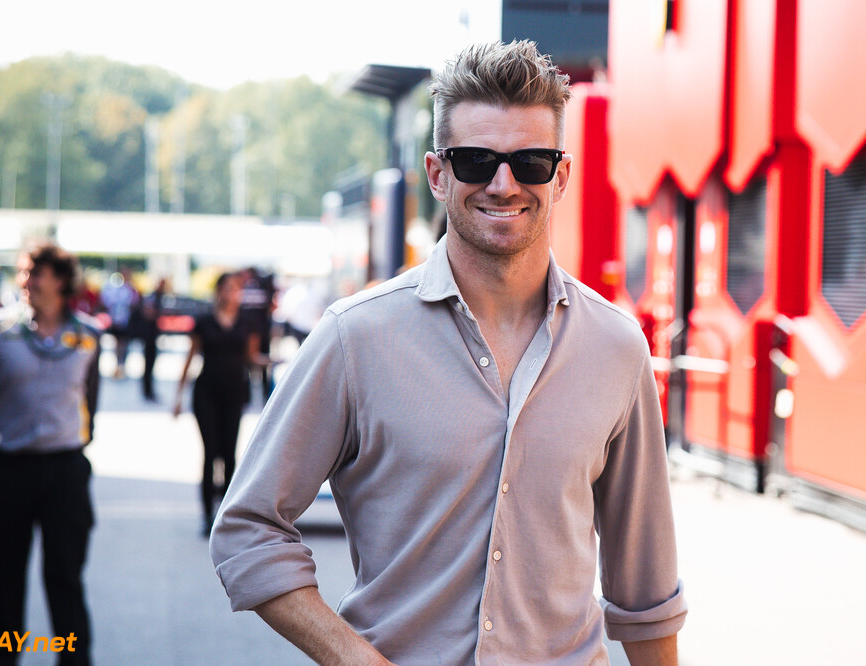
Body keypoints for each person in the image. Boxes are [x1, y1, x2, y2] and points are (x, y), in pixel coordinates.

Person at [209, 41, 686, 665]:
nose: (504, 183)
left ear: (561, 175)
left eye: (531, 162)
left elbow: (645, 591)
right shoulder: (356, 338)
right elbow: (249, 528)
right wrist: (353, 657)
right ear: (438, 174)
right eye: (475, 161)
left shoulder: (617, 348)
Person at [0, 239, 100, 665]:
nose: (25, 281)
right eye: (24, 272)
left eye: (36, 273)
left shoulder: (87, 337)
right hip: (10, 471)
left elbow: (90, 402)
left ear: (61, 281)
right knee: (7, 578)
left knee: (64, 577)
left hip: (66, 471)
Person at [173, 272, 267, 534]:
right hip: (206, 392)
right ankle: (206, 516)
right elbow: (190, 358)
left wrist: (276, 362)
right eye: (226, 289)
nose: (231, 294)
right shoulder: (203, 322)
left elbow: (252, 357)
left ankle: (227, 516)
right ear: (218, 292)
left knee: (229, 454)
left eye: (235, 289)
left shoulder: (248, 322)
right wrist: (178, 396)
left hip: (234, 393)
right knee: (210, 452)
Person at [238, 266, 275, 402]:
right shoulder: (243, 287)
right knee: (247, 364)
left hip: (261, 332)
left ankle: (266, 395)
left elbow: (270, 308)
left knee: (263, 365)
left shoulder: (263, 285)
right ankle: (247, 395)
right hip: (248, 332)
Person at [99, 268, 139, 379]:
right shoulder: (115, 288)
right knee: (118, 345)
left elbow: (134, 303)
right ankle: (118, 367)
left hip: (125, 322)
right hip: (116, 321)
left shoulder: (130, 289)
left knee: (124, 345)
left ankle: (121, 366)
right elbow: (107, 302)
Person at [139, 278, 167, 402]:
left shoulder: (160, 297)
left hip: (154, 335)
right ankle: (147, 391)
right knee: (148, 364)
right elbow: (147, 312)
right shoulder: (152, 297)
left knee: (151, 365)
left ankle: (149, 391)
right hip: (148, 336)